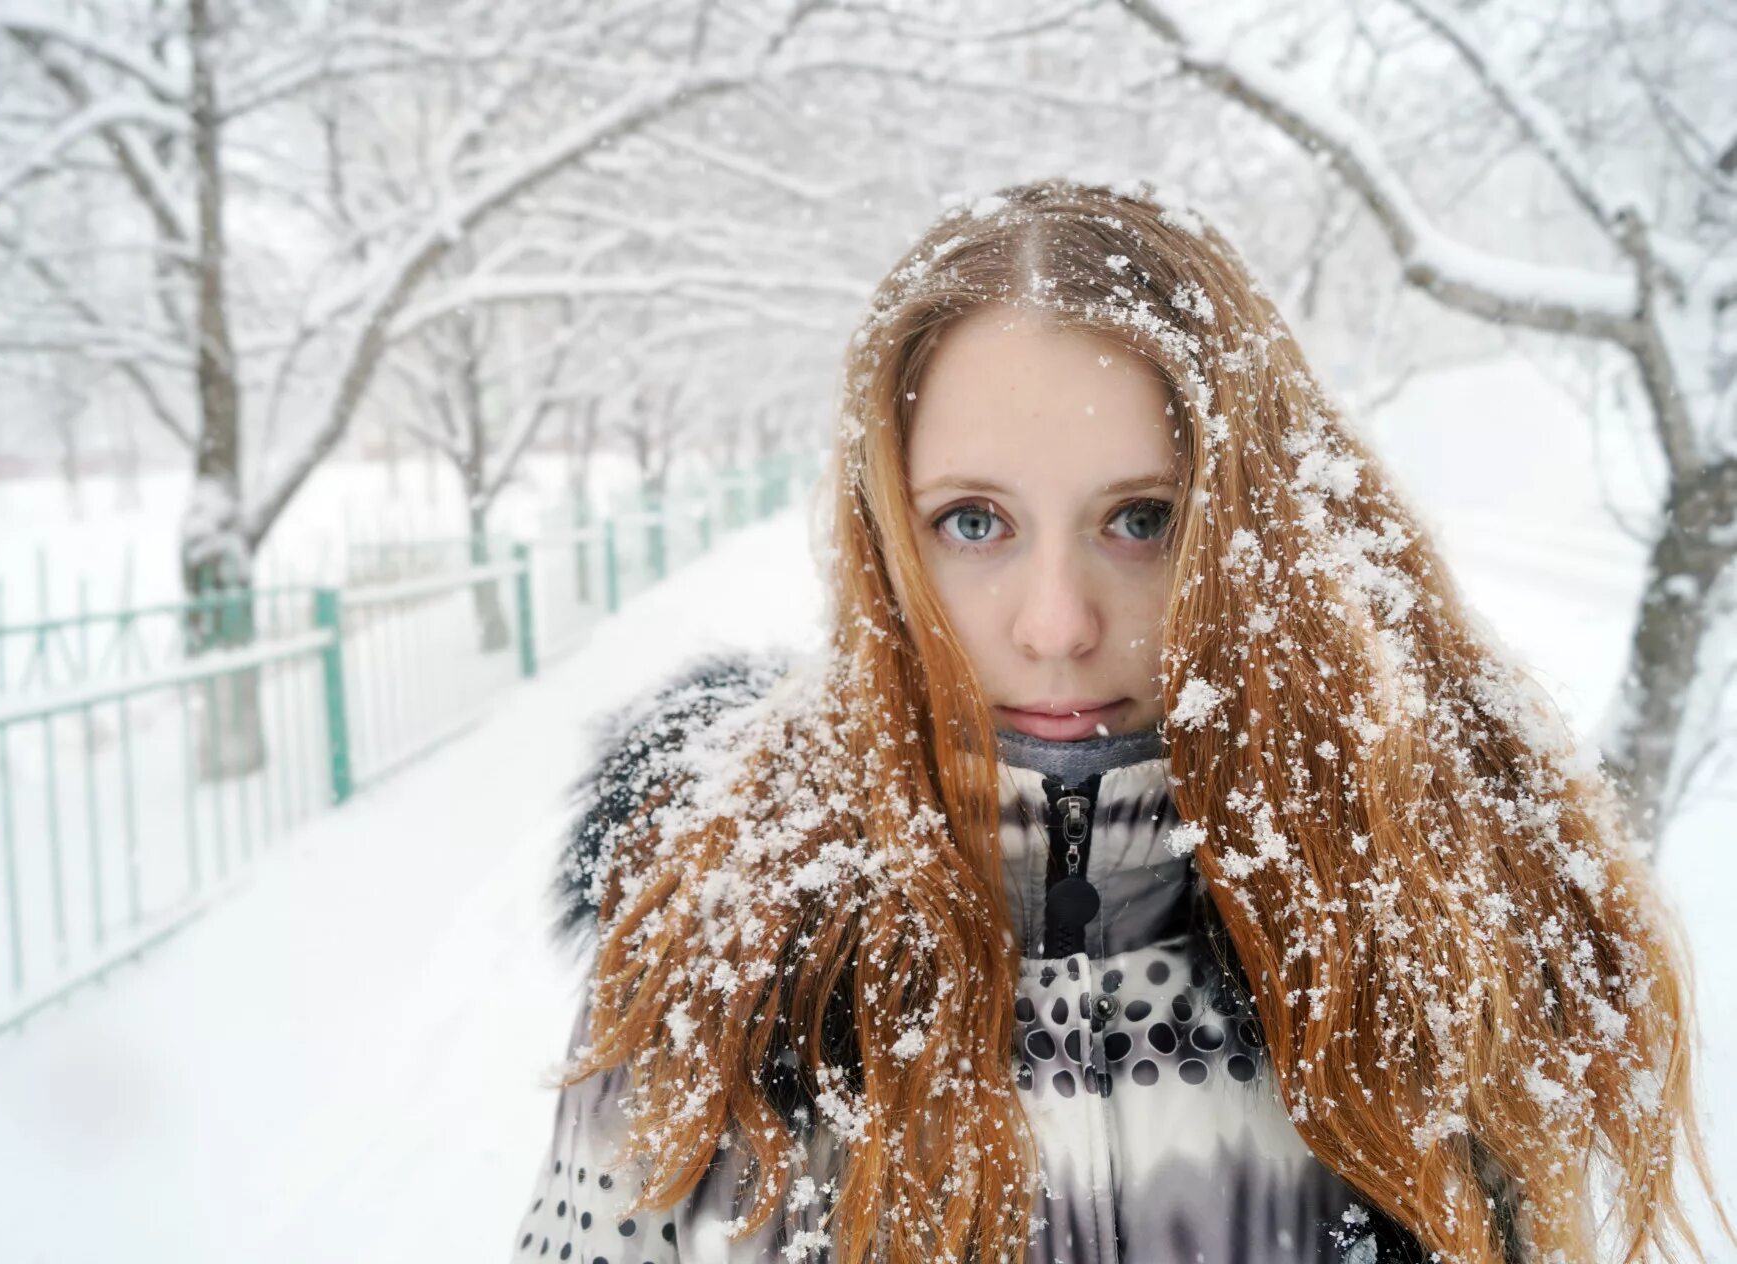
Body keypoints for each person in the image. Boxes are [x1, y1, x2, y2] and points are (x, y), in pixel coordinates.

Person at [508, 179, 1728, 1263]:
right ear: (884, 543)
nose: (1056, 625)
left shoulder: (1422, 929)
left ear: (1258, 531)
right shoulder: (717, 947)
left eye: (1140, 519)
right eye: (972, 521)